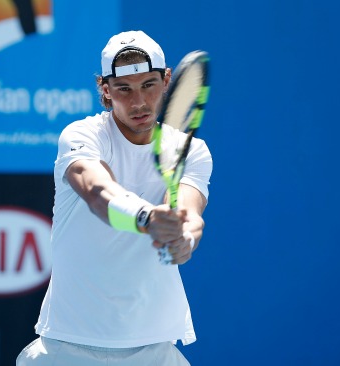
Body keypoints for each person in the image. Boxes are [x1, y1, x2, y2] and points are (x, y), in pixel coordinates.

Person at [16, 31, 213, 365]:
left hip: (155, 347)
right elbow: (98, 192)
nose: (138, 102)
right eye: (124, 89)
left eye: (149, 85)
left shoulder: (191, 150)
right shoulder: (82, 136)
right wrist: (148, 219)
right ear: (105, 90)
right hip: (67, 346)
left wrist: (184, 240)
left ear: (166, 81)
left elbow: (189, 214)